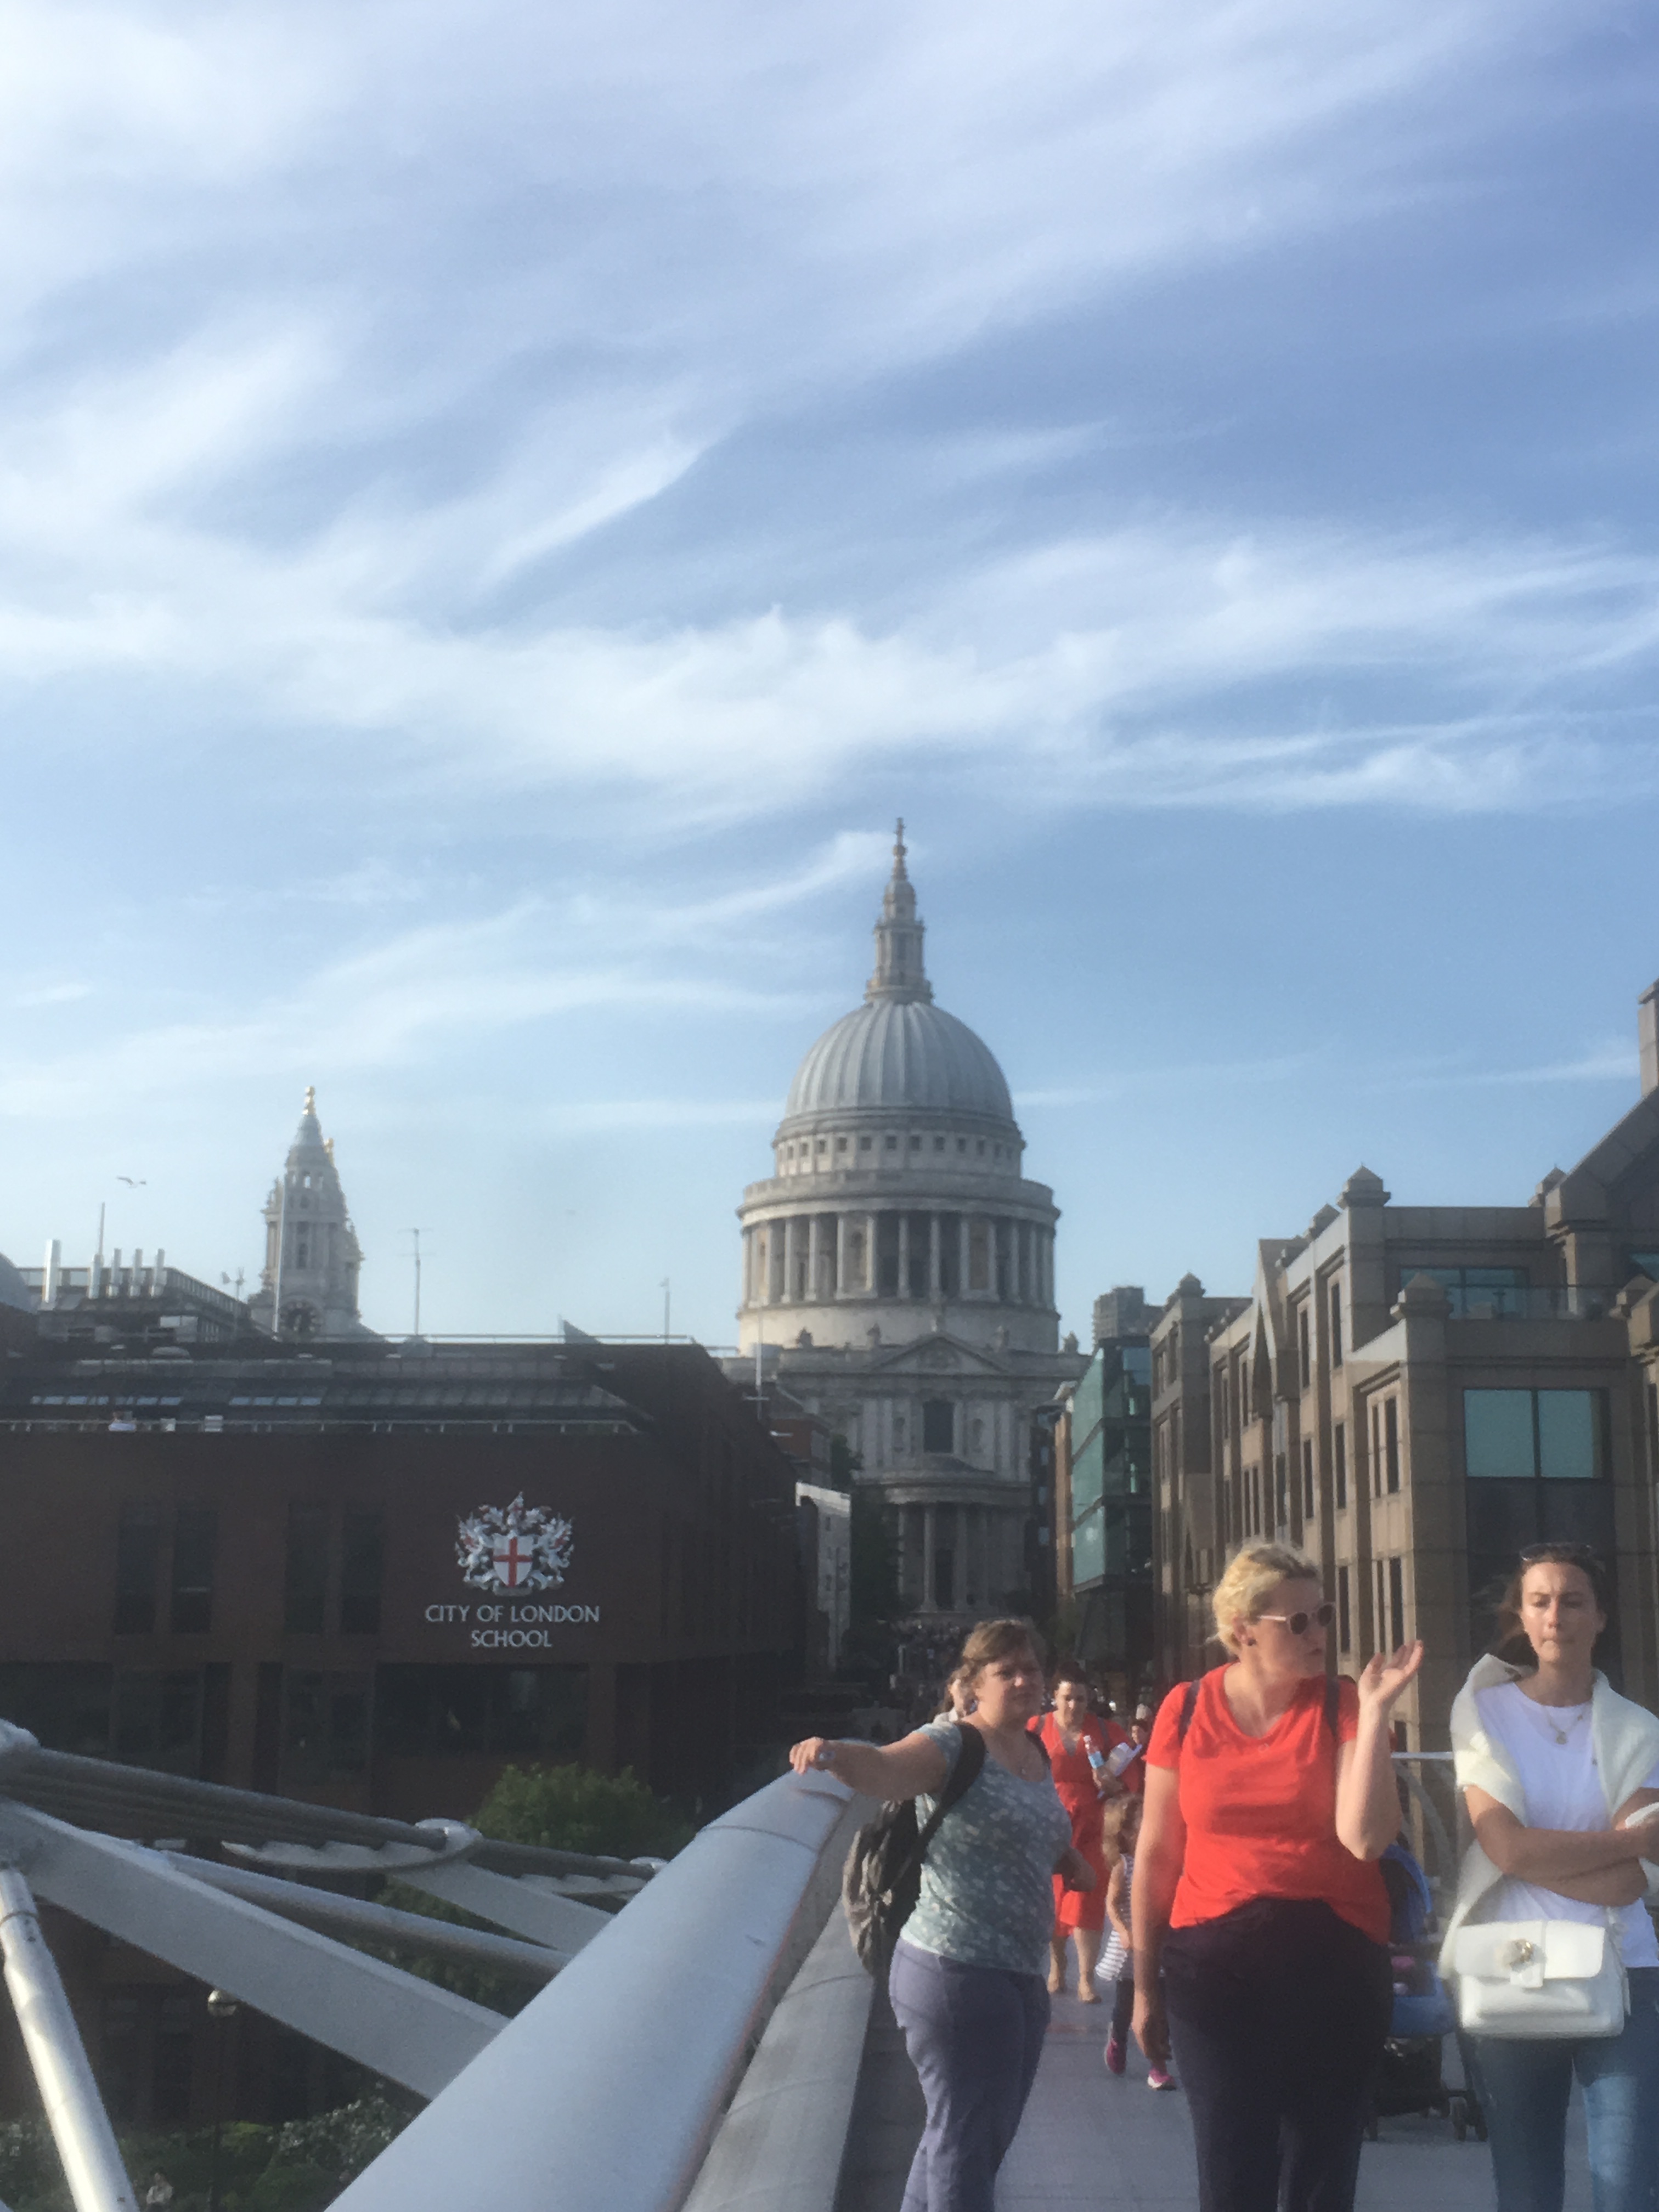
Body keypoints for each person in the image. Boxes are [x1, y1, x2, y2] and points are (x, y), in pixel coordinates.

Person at [1132, 1541, 1422, 2212]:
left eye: (1323, 1615)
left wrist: (1376, 1713)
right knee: (1232, 2172)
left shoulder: (1342, 1703)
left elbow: (1366, 1838)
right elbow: (1157, 1852)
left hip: (1334, 1970)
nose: (1318, 1633)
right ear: (1243, 1632)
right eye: (1298, 1622)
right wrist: (1144, 1987)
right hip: (1215, 1974)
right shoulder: (1185, 1708)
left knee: (1322, 2179)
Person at [790, 1618, 1093, 2212]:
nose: (1024, 1680)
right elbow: (886, 1769)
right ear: (973, 1684)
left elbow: (1029, 1825)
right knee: (967, 2138)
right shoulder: (954, 1743)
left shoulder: (1032, 1748)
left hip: (1018, 1969)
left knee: (970, 2131)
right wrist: (829, 1753)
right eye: (1006, 1671)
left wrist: (1071, 1860)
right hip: (956, 1968)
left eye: (1031, 1668)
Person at [1442, 1542, 1659, 2212]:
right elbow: (1505, 1847)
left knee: (1628, 2191)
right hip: (1512, 1971)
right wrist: (1618, 1843)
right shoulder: (1483, 1713)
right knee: (1526, 2189)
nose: (1555, 1616)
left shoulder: (1639, 1729)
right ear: (1522, 1616)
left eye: (1572, 1601)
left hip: (1623, 1970)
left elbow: (1631, 1882)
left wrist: (1536, 1857)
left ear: (1601, 1617)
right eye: (1540, 1602)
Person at [1035, 1657, 1125, 2000]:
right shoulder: (1034, 1728)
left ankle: (1086, 1978)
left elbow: (1131, 1777)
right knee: (1053, 1899)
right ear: (1054, 1697)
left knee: (1088, 1900)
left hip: (1093, 1826)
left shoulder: (1105, 1732)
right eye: (1067, 1698)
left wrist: (1114, 1783)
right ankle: (1057, 1966)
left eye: (1081, 1699)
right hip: (1048, 1824)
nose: (1074, 1705)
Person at [1098, 1795, 1171, 2086]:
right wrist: (1123, 1930)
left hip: (1158, 1946)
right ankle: (1118, 2039)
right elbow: (1112, 1904)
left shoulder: (1162, 1864)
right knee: (1126, 2005)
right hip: (1130, 1951)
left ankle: (1158, 2065)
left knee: (1161, 2004)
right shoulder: (1124, 1868)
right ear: (1126, 1833)